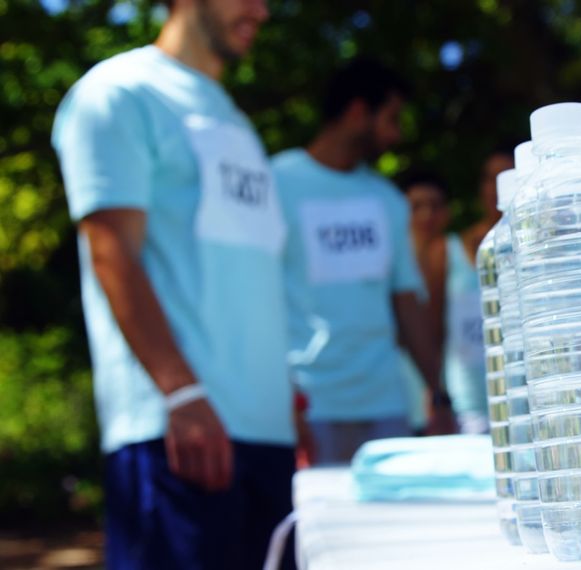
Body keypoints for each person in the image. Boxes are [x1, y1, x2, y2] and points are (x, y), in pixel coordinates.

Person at [51, 0, 297, 568]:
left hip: (266, 434)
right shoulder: (119, 92)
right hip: (179, 432)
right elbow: (110, 247)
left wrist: (287, 397)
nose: (261, 11)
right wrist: (180, 391)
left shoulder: (234, 120)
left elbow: (250, 272)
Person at [274, 59, 456, 467]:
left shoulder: (387, 200)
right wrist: (279, 395)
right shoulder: (277, 182)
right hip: (307, 407)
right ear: (358, 112)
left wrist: (438, 393)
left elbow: (406, 302)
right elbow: (256, 295)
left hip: (384, 406)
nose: (397, 133)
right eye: (391, 118)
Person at [400, 169, 495, 434]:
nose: (426, 215)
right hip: (408, 399)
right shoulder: (386, 266)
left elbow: (436, 330)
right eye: (416, 206)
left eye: (435, 206)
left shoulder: (444, 253)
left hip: (448, 402)